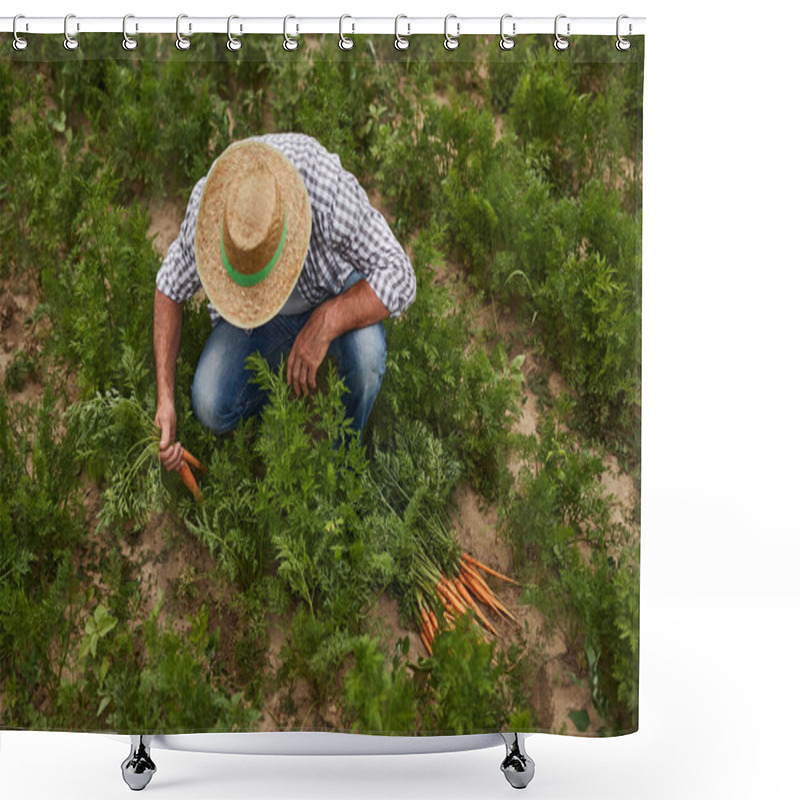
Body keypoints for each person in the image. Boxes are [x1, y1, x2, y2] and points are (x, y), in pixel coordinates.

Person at [153, 133, 416, 472]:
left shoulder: (323, 189)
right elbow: (168, 286)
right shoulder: (213, 210)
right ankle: (286, 402)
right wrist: (165, 397)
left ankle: (342, 459)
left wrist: (327, 321)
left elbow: (399, 273)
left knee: (366, 357)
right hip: (260, 327)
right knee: (209, 404)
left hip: (330, 292)